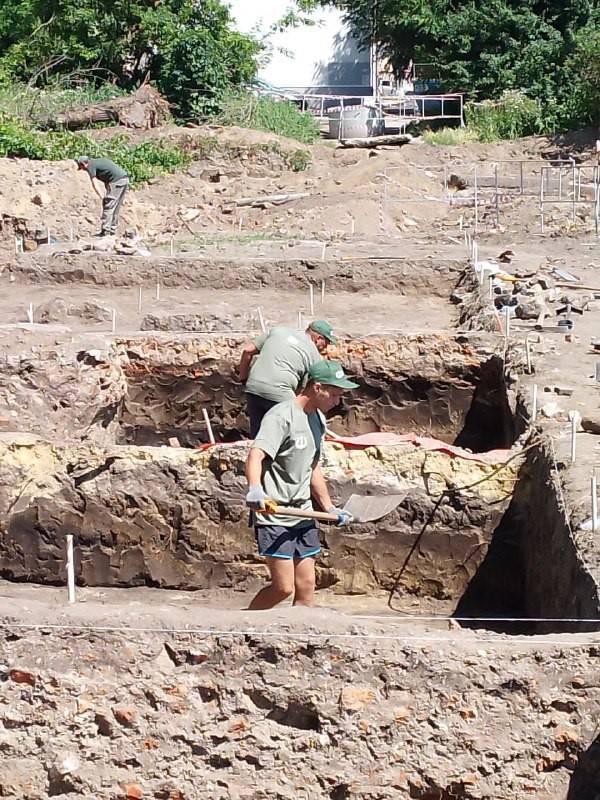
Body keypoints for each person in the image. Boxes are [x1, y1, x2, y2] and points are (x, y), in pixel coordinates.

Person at [245, 359, 358, 610]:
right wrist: (255, 489)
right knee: (283, 588)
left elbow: (312, 466)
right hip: (274, 513)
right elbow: (256, 455)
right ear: (317, 388)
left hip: (302, 511)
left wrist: (328, 507)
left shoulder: (317, 419)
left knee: (306, 586)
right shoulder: (281, 416)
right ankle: (245, 625)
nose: (338, 401)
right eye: (335, 394)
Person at [238, 320, 337, 438]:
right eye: (326, 342)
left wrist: (243, 378)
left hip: (253, 387)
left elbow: (247, 351)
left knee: (259, 436)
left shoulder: (278, 331)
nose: (326, 347)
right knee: (298, 428)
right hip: (280, 390)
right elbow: (306, 392)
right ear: (318, 338)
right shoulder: (314, 354)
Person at [76, 155, 129, 237]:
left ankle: (106, 231)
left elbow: (95, 184)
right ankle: (112, 231)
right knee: (116, 206)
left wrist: (102, 197)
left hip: (116, 181)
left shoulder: (91, 166)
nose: (84, 170)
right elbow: (107, 177)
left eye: (82, 168)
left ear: (84, 164)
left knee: (108, 206)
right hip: (124, 179)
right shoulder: (98, 161)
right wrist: (107, 190)